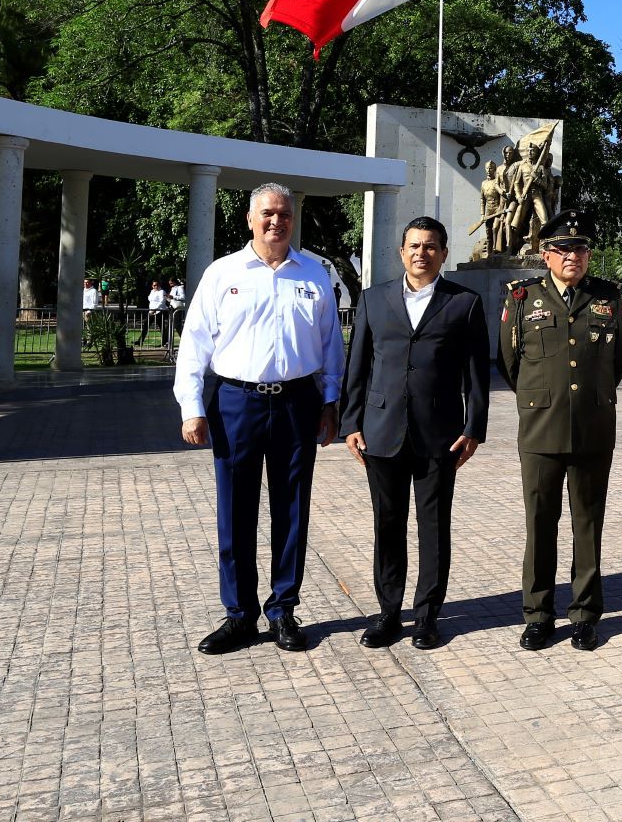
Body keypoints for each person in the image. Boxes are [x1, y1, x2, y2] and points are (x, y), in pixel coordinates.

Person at [175, 182, 344, 655]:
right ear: (250, 219)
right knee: (235, 511)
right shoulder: (223, 273)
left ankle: (283, 610)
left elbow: (331, 344)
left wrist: (331, 402)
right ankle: (239, 616)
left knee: (292, 509)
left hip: (297, 402)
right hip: (236, 402)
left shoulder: (313, 274)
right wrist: (192, 407)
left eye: (284, 214)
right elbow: (194, 343)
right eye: (267, 213)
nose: (276, 221)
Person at [342, 216, 489, 651]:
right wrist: (351, 423)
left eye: (430, 246)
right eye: (414, 246)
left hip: (439, 434)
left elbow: (476, 375)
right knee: (387, 525)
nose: (421, 253)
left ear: (443, 253)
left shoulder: (464, 303)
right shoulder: (373, 299)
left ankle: (427, 617)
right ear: (401, 252)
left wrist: (474, 428)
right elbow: (358, 365)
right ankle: (388, 613)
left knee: (434, 528)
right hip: (381, 431)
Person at [499, 209, 622, 651]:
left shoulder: (607, 298)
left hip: (593, 427)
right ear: (546, 255)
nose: (573, 255)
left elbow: (618, 362)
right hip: (541, 429)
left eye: (580, 248)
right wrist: (546, 398)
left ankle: (585, 614)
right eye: (563, 248)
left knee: (588, 524)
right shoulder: (522, 298)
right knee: (540, 523)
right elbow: (511, 363)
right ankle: (538, 614)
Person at [139, 279, 166, 345]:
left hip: (159, 311)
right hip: (151, 311)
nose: (155, 286)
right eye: (153, 285)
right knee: (146, 325)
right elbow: (150, 300)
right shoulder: (152, 291)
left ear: (159, 285)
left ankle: (165, 342)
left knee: (161, 327)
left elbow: (162, 302)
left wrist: (155, 309)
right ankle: (140, 341)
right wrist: (152, 310)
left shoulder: (162, 292)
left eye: (156, 285)